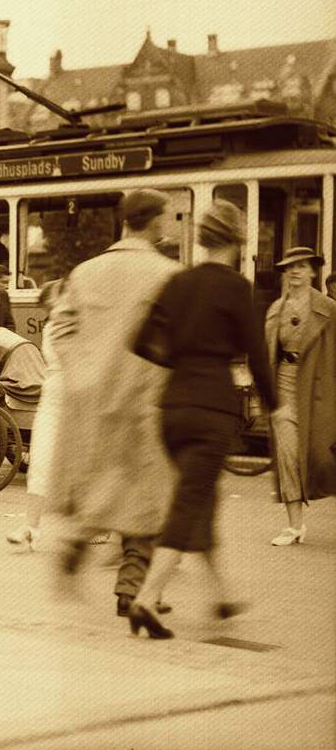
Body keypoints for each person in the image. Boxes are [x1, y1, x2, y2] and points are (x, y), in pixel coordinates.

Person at [126, 201, 279, 638]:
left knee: (201, 502)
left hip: (171, 411)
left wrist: (177, 358)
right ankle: (146, 598)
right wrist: (277, 409)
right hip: (212, 410)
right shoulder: (236, 288)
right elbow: (258, 358)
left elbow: (139, 342)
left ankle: (220, 595)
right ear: (236, 241)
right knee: (189, 502)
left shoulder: (178, 281)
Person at [50, 190, 180, 617]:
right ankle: (129, 590)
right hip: (146, 395)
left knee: (106, 486)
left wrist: (82, 372)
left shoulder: (86, 271)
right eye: (166, 218)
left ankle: (80, 540)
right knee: (149, 497)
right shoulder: (168, 274)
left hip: (94, 397)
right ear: (155, 222)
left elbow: (61, 329)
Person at [264, 247, 336, 546]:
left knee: (323, 457)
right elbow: (268, 356)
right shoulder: (275, 309)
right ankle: (295, 526)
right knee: (288, 456)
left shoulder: (329, 309)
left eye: (301, 266)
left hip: (319, 388)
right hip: (284, 385)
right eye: (289, 267)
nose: (294, 271)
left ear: (312, 272)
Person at [7, 278, 67, 550]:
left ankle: (101, 526)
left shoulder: (86, 326)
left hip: (80, 398)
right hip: (53, 394)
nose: (52, 309)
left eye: (56, 301)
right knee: (40, 461)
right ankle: (31, 527)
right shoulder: (52, 327)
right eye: (49, 305)